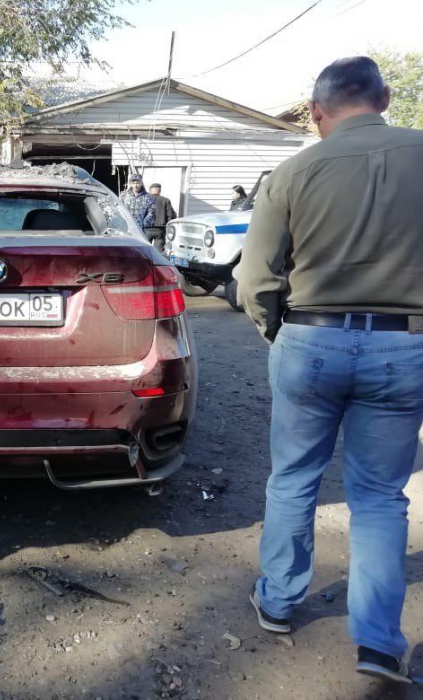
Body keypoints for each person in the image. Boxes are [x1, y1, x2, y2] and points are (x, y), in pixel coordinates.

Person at [234, 57, 423, 684]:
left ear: (317, 112)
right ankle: (376, 642)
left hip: (310, 340)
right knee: (378, 497)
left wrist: (275, 331)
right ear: (385, 97)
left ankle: (280, 602)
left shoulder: (291, 173)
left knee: (293, 479)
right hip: (404, 347)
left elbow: (256, 279)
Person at [119, 173, 155, 240]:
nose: (136, 185)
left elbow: (152, 211)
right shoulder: (123, 195)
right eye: (134, 183)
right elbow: (119, 208)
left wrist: (145, 222)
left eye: (138, 183)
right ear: (131, 184)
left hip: (140, 228)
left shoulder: (148, 197)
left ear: (141, 183)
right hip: (126, 226)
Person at [146, 183, 177, 253]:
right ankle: (156, 263)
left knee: (145, 250)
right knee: (158, 252)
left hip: (147, 229)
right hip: (160, 229)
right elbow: (171, 216)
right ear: (160, 191)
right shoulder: (165, 201)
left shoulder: (145, 200)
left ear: (150, 191)